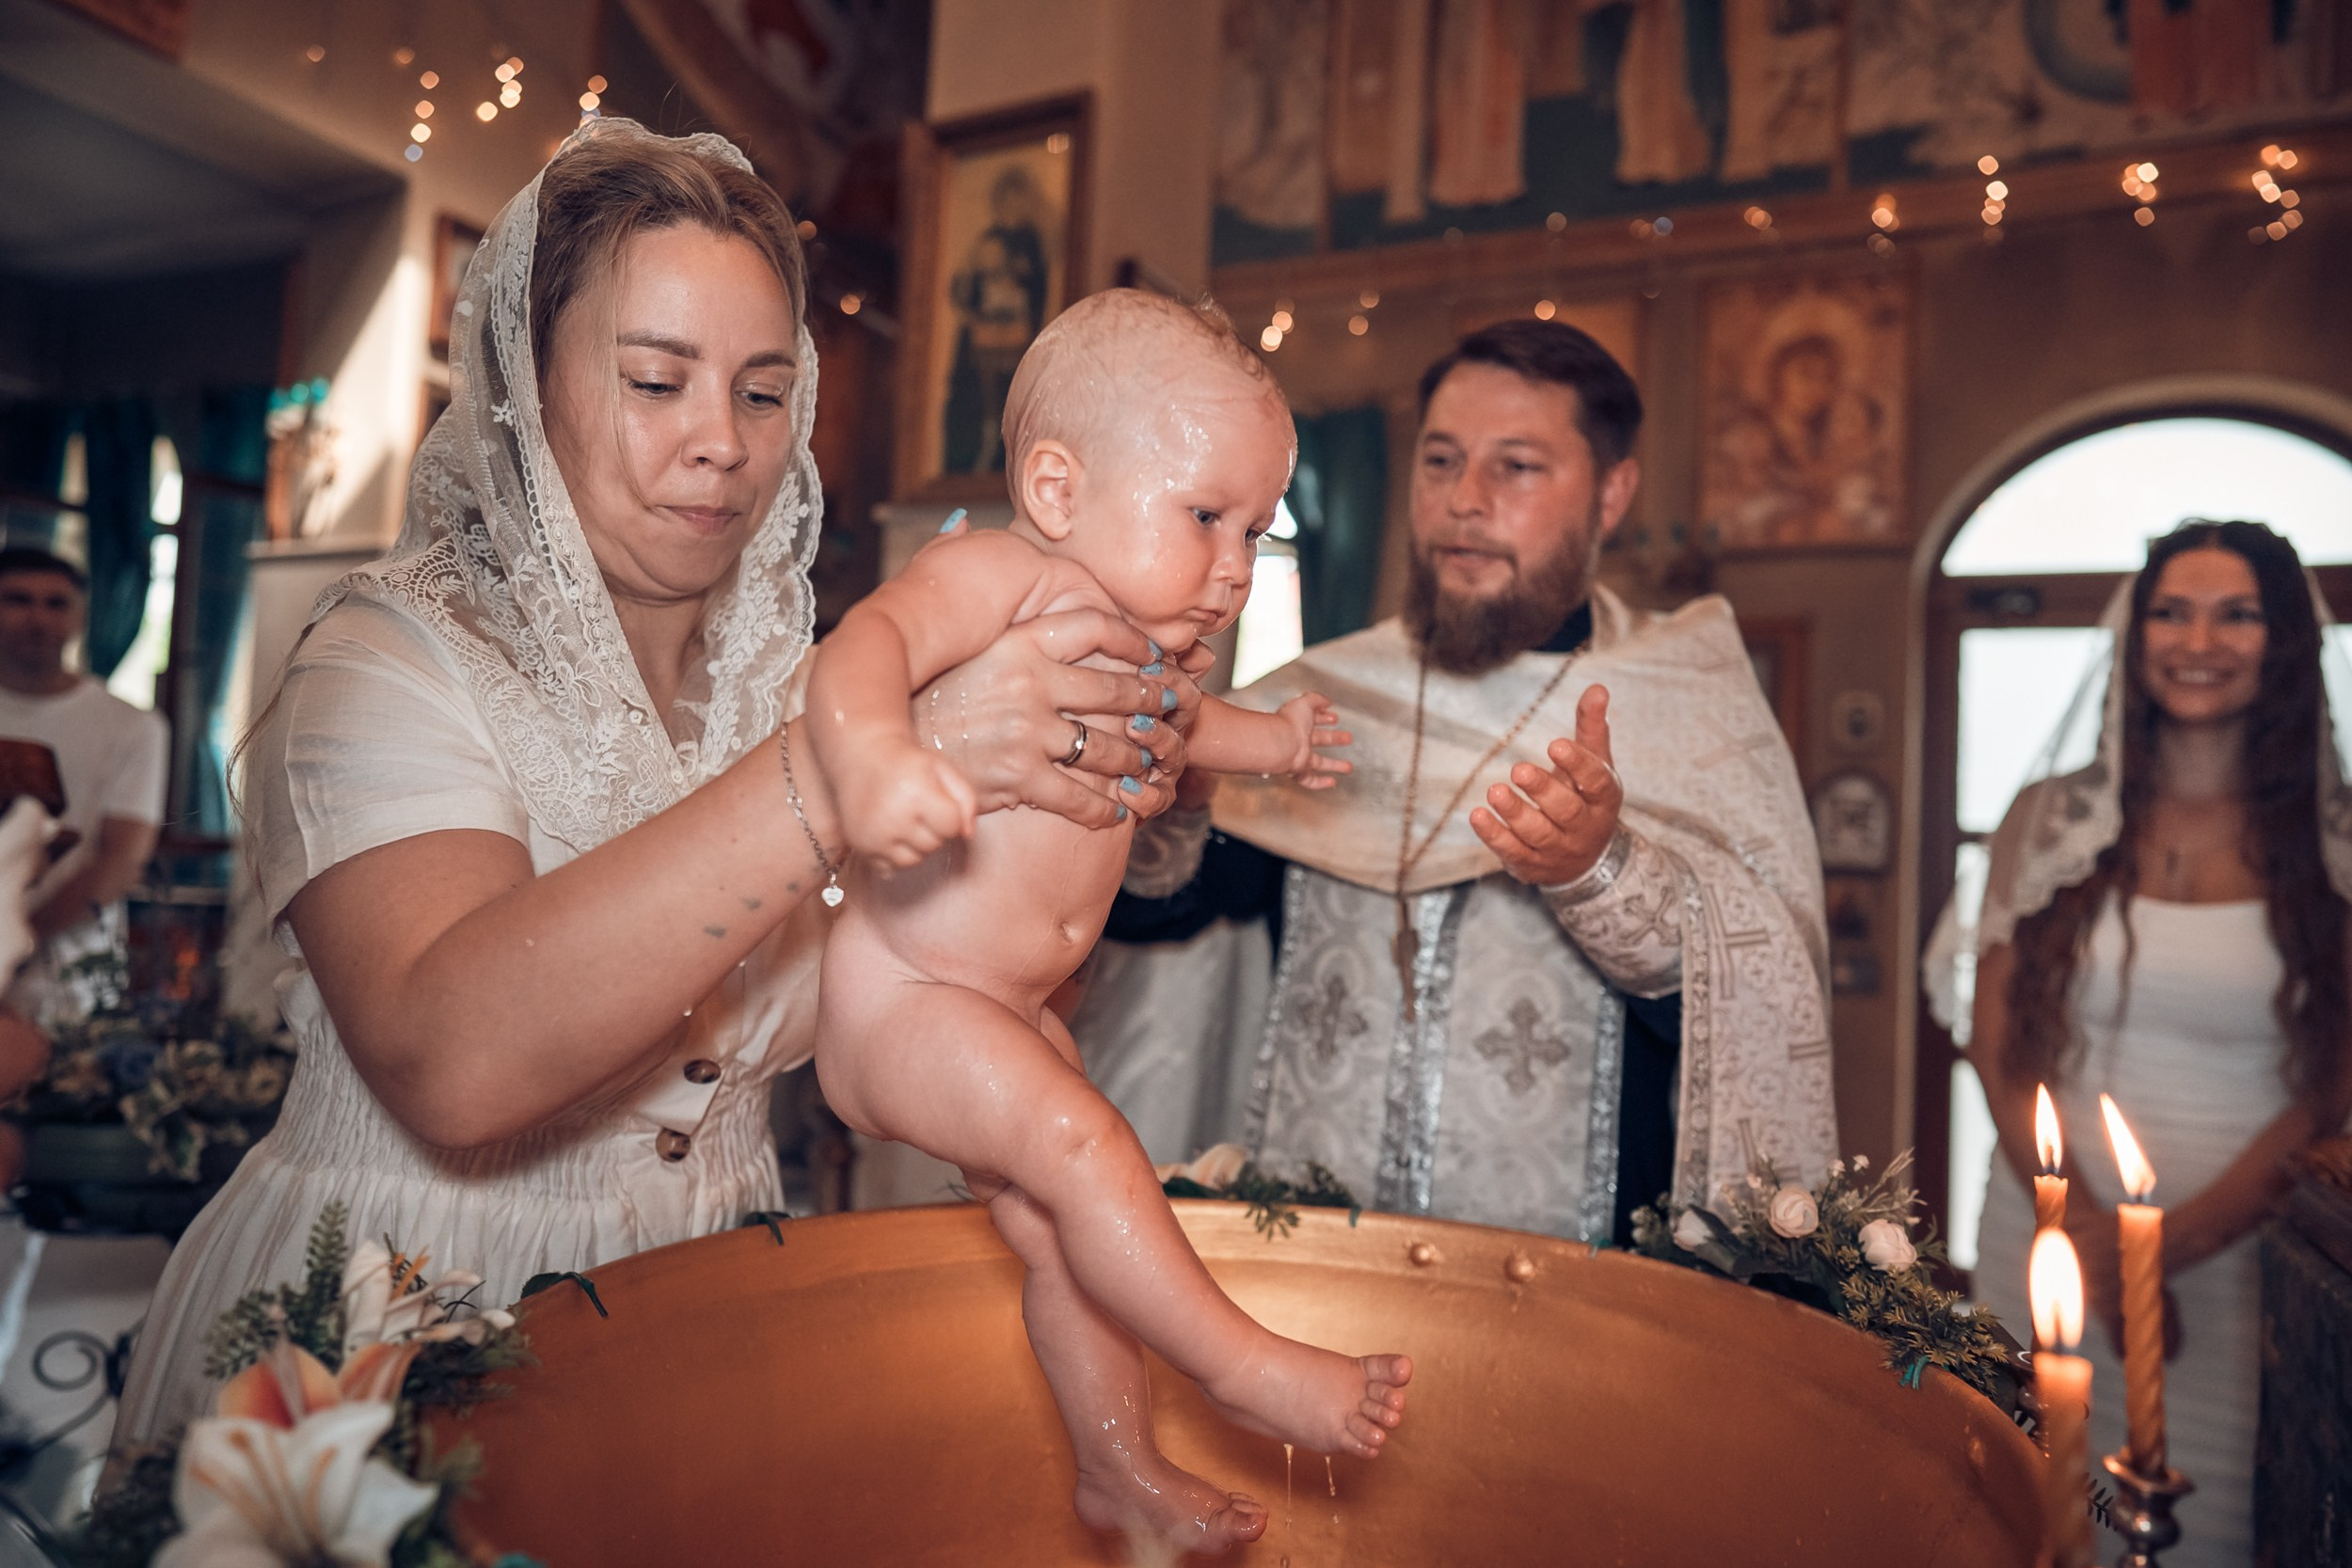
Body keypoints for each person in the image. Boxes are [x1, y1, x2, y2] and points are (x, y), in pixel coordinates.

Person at [113, 120, 1193, 1447]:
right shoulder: (383, 662)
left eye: (759, 389)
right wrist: (857, 769)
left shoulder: (812, 677)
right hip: (393, 1325)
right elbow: (451, 1059)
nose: (721, 444)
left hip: (710, 1309)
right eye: (655, 380)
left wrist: (1081, 805)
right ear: (527, 386)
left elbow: (963, 985)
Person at [806, 290, 1406, 1554]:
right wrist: (871, 764)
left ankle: (1118, 1467)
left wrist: (1281, 742)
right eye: (1206, 516)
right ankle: (1240, 1365)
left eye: (1256, 527)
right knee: (1089, 1152)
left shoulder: (1148, 657)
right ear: (1060, 487)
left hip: (1004, 1006)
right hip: (905, 993)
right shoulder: (999, 577)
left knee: (1068, 1237)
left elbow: (1192, 736)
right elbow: (864, 644)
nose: (1238, 564)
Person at [1103, 318, 1836, 1243]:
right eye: (1441, 461)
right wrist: (1187, 797)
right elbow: (1160, 912)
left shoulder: (1683, 707)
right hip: (1307, 1261)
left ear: (1610, 494)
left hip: (1569, 1288)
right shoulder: (1322, 699)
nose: (1465, 501)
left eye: (1517, 467)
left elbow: (1744, 994)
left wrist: (1599, 869)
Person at [1950, 519, 2352, 1567]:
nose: (2197, 638)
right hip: (2044, 1229)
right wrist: (2083, 1228)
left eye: (2236, 612)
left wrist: (2161, 1251)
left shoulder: (2334, 846)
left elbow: (2330, 1087)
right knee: (2025, 1515)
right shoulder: (2047, 819)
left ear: (2284, 641)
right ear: (2134, 636)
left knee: (2204, 1526)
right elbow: (1994, 1037)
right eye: (2171, 609)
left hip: (2237, 1258)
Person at [0, 547, 167, 1022]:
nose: (37, 618)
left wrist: (19, 937)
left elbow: (122, 856)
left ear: (79, 617)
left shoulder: (132, 726)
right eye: (18, 600)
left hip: (67, 968)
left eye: (56, 604)